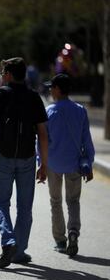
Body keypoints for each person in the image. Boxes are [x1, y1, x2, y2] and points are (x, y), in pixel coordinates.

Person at [0, 57, 49, 269]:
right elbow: (42, 134)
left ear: (10, 74)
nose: (1, 75)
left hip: (3, 156)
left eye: (3, 72)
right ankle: (19, 251)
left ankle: (8, 241)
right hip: (28, 157)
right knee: (25, 207)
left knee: (0, 202)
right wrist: (44, 164)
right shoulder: (34, 97)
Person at [43, 74, 95, 257]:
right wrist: (89, 162)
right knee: (73, 201)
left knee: (55, 201)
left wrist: (40, 163)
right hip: (74, 163)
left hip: (52, 163)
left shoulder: (49, 112)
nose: (49, 90)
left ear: (57, 89)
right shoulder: (80, 110)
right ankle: (73, 232)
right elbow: (86, 140)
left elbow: (41, 140)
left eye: (51, 87)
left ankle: (60, 240)